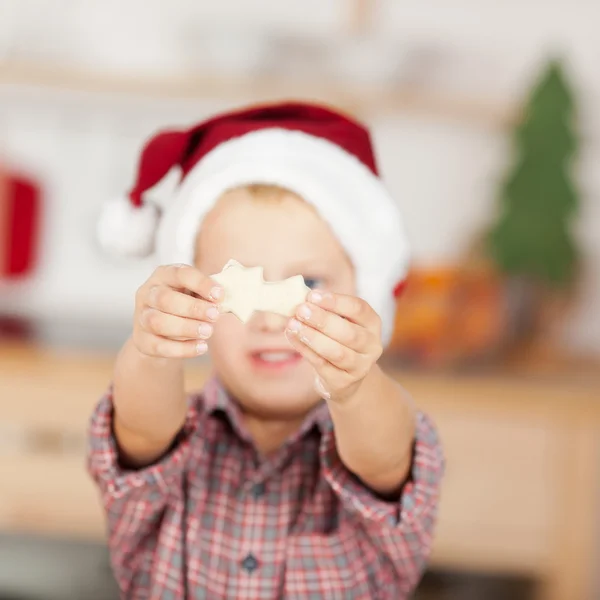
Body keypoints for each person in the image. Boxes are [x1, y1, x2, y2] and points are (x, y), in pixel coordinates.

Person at [88, 101, 444, 599]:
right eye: (238, 283)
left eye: (311, 281)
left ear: (369, 290)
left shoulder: (376, 431)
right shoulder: (168, 429)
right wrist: (154, 349)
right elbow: (141, 426)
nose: (273, 319)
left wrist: (355, 383)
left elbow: (385, 457)